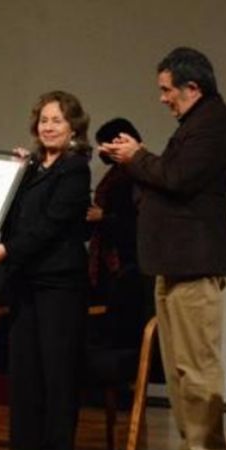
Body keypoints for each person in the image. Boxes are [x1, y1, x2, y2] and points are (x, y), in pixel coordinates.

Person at [100, 47, 226, 450]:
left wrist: (136, 157)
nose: (162, 98)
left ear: (192, 87)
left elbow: (177, 178)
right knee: (180, 373)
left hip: (195, 265)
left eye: (167, 90)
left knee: (196, 371)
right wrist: (137, 160)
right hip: (173, 264)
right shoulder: (196, 123)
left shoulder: (213, 124)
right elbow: (167, 181)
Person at [0, 90, 92, 450]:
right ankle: (22, 449)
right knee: (24, 371)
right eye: (43, 120)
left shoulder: (75, 168)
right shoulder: (30, 169)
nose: (48, 127)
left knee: (57, 372)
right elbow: (10, 217)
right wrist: (13, 177)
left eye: (56, 120)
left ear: (73, 126)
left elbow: (52, 223)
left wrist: (8, 250)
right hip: (25, 283)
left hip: (59, 285)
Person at [88, 118, 155, 354]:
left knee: (125, 333)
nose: (100, 151)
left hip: (129, 265)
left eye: (103, 145)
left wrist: (103, 216)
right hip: (112, 263)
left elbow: (141, 218)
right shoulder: (117, 174)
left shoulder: (137, 174)